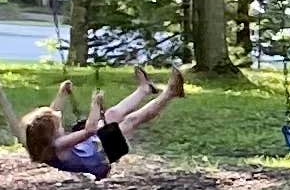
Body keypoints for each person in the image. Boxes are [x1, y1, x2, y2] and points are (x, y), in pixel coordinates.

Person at [22, 71, 180, 183]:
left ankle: (144, 89)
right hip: (102, 157)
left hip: (94, 147)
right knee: (131, 120)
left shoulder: (45, 142)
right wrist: (95, 104)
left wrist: (62, 93)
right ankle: (170, 93)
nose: (60, 123)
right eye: (58, 126)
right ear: (51, 134)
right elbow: (89, 130)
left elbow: (53, 112)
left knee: (111, 114)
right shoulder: (58, 145)